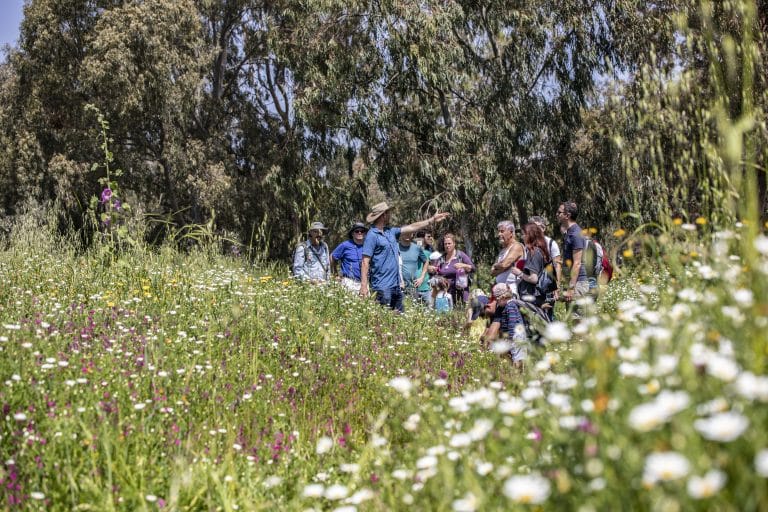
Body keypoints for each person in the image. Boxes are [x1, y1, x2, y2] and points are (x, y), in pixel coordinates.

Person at [360, 202, 450, 312]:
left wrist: (431, 220)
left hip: (396, 286)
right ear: (383, 215)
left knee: (399, 317)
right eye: (389, 213)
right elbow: (365, 262)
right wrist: (364, 286)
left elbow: (412, 227)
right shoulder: (372, 235)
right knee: (383, 319)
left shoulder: (390, 232)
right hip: (382, 287)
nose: (390, 215)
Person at [557, 201, 590, 316]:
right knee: (573, 318)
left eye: (559, 212)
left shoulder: (576, 234)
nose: (557, 214)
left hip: (578, 283)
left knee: (578, 321)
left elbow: (577, 263)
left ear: (567, 215)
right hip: (572, 282)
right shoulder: (569, 233)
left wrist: (571, 288)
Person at [509, 223, 551, 307]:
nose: (522, 237)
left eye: (524, 234)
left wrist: (519, 273)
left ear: (530, 235)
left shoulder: (534, 253)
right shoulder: (540, 251)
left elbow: (534, 278)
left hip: (531, 296)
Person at [486, 283, 528, 368]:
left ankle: (518, 373)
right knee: (515, 355)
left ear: (503, 297)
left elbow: (513, 323)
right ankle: (517, 371)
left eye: (497, 301)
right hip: (514, 336)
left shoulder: (510, 306)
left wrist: (510, 337)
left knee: (517, 357)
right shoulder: (507, 305)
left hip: (516, 336)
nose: (497, 303)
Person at [530, 215, 562, 319]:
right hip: (531, 287)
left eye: (537, 227)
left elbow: (557, 265)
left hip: (547, 286)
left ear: (543, 228)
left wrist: (557, 287)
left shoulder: (551, 243)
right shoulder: (527, 244)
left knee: (547, 315)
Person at [432, 233, 476, 305]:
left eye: (449, 243)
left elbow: (473, 268)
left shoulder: (460, 255)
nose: (447, 246)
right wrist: (432, 269)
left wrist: (463, 265)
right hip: (445, 294)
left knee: (459, 313)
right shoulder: (441, 258)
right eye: (445, 244)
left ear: (454, 244)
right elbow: (434, 271)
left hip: (460, 293)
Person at [330, 221, 368, 292]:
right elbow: (332, 257)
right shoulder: (345, 245)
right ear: (352, 233)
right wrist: (335, 274)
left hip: (365, 282)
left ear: (365, 233)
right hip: (349, 281)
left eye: (362, 231)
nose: (359, 233)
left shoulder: (368, 245)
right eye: (357, 231)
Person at [490, 221, 525, 289]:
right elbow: (492, 272)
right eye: (499, 231)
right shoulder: (503, 251)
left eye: (502, 231)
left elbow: (503, 265)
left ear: (511, 232)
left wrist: (499, 266)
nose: (499, 234)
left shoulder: (516, 246)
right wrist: (502, 267)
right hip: (503, 291)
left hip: (514, 289)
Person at [399, 231, 430, 304]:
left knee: (412, 310)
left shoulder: (417, 248)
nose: (407, 235)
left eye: (409, 233)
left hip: (413, 287)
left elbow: (426, 261)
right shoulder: (395, 247)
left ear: (412, 234)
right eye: (405, 233)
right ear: (401, 234)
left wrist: (422, 277)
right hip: (399, 286)